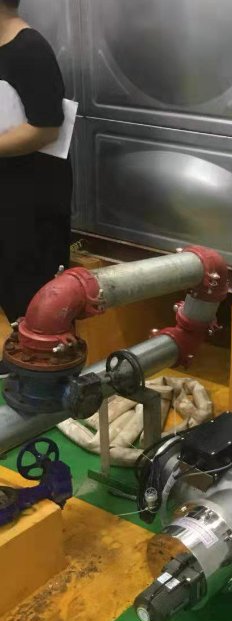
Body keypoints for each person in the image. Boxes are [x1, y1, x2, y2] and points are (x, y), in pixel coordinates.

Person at [0, 0, 72, 375]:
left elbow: (45, 128)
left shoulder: (29, 50)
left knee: (35, 291)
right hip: (6, 190)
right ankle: (19, 366)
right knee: (8, 281)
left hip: (32, 197)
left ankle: (45, 376)